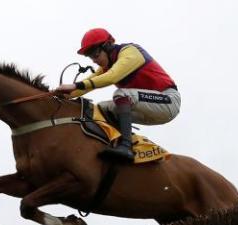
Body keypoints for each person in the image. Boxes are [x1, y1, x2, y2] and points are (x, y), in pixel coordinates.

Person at [56, 28, 180, 161]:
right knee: (100, 109)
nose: (94, 60)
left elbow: (112, 77)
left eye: (95, 54)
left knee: (121, 94)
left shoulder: (131, 52)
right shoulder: (107, 66)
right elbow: (86, 84)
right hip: (149, 106)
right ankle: (118, 143)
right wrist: (57, 96)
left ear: (108, 46)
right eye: (90, 57)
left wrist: (75, 85)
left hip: (168, 101)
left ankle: (126, 147)